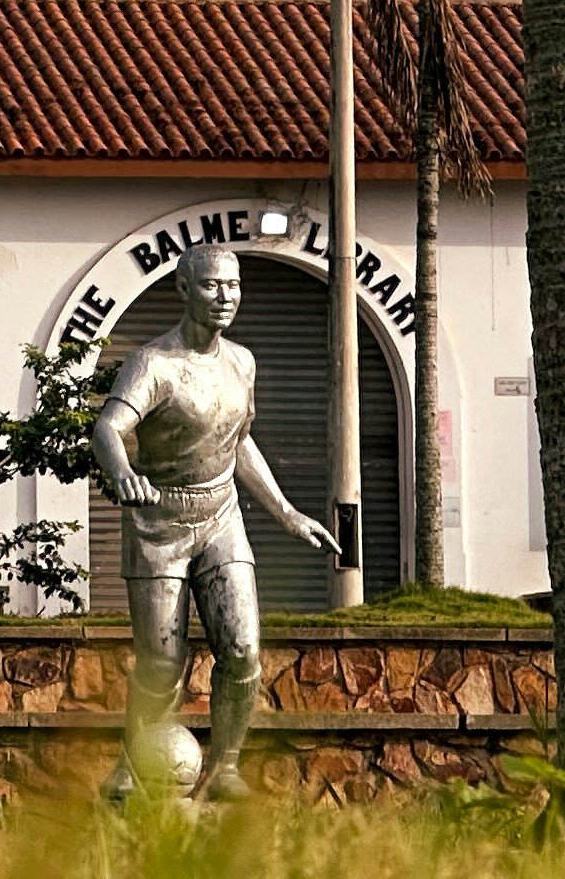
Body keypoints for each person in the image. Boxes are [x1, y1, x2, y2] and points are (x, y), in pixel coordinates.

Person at [89, 242, 338, 801]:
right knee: (160, 661)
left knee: (244, 646)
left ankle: (224, 766)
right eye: (210, 285)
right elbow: (107, 428)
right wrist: (124, 473)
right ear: (183, 290)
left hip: (221, 513)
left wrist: (287, 512)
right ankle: (133, 763)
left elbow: (239, 441)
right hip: (160, 522)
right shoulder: (153, 363)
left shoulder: (242, 362)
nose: (225, 297)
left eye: (233, 285)